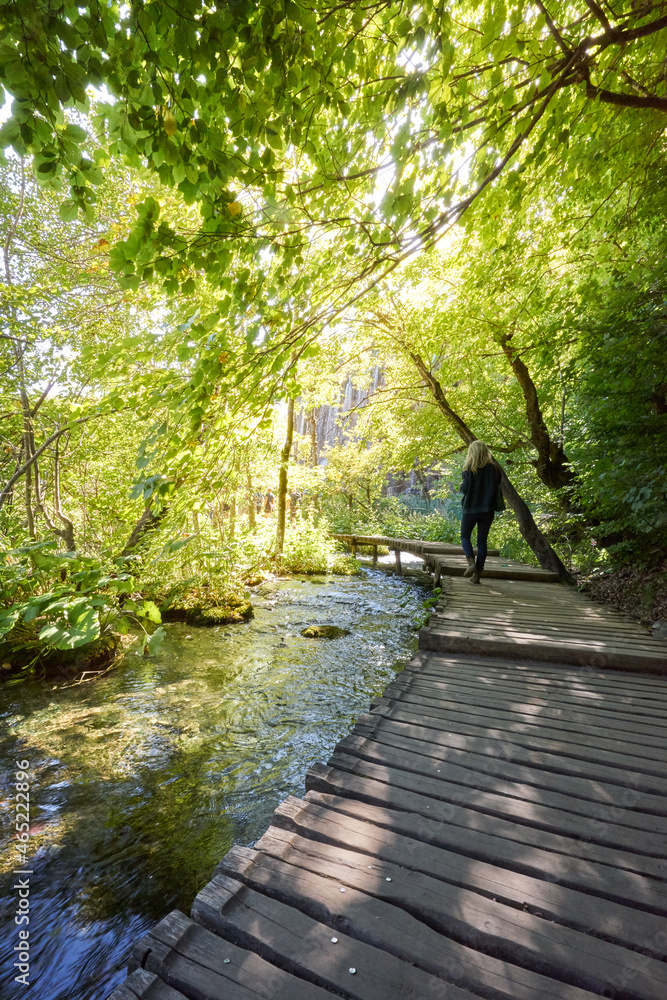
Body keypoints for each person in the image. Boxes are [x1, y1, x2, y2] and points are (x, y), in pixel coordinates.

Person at [459, 440, 501, 584]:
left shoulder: (468, 468)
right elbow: (497, 486)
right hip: (487, 509)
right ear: (485, 452)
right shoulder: (494, 469)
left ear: (472, 452)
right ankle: (477, 575)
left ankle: (471, 563)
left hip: (470, 509)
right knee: (482, 541)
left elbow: (465, 489)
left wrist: (461, 486)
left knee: (465, 536)